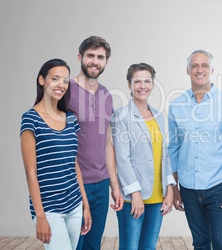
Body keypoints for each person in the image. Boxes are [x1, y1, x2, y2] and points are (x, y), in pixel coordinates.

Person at [168, 49, 222, 250]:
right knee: (200, 243)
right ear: (187, 70)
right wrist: (174, 186)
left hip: (218, 187)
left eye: (204, 65)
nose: (199, 69)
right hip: (188, 188)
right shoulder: (177, 105)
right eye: (194, 65)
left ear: (211, 69)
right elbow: (174, 147)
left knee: (220, 243)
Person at [20, 59, 92, 249]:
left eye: (65, 80)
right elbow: (30, 172)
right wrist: (40, 216)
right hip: (49, 208)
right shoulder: (31, 119)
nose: (61, 84)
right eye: (55, 78)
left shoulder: (70, 118)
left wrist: (85, 205)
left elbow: (74, 164)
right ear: (42, 80)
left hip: (75, 204)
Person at [111, 63, 176, 250]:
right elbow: (122, 159)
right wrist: (135, 193)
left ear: (153, 84)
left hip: (157, 196)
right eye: (137, 81)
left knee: (148, 246)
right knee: (130, 247)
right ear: (129, 84)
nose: (142, 86)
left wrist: (170, 188)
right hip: (133, 197)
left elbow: (165, 155)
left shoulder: (158, 115)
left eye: (147, 81)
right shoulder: (121, 116)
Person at [68, 36, 124, 250]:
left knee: (93, 246)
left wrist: (114, 185)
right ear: (80, 57)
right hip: (73, 183)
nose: (95, 61)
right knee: (75, 245)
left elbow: (108, 142)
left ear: (106, 62)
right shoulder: (65, 91)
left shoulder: (106, 94)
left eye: (100, 57)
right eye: (90, 55)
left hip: (101, 184)